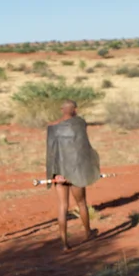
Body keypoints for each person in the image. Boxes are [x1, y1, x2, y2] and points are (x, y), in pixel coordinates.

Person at [46, 100, 100, 251]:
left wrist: (54, 174)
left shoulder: (52, 126)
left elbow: (51, 153)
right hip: (76, 171)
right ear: (75, 109)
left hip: (59, 172)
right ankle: (88, 232)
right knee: (81, 202)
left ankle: (64, 243)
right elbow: (83, 148)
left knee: (62, 206)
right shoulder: (80, 124)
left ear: (61, 109)